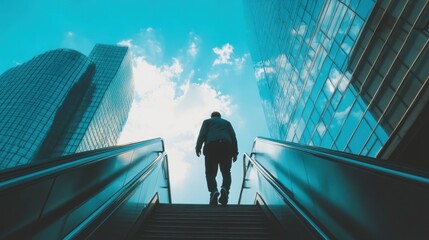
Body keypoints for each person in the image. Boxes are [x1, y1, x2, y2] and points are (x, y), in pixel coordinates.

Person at [195, 111, 238, 206]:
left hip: (211, 146)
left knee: (210, 173)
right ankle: (225, 189)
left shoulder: (207, 122)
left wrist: (198, 147)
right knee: (226, 171)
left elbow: (202, 134)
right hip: (226, 146)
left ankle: (214, 191)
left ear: (212, 116)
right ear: (220, 116)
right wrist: (235, 152)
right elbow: (233, 137)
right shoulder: (227, 122)